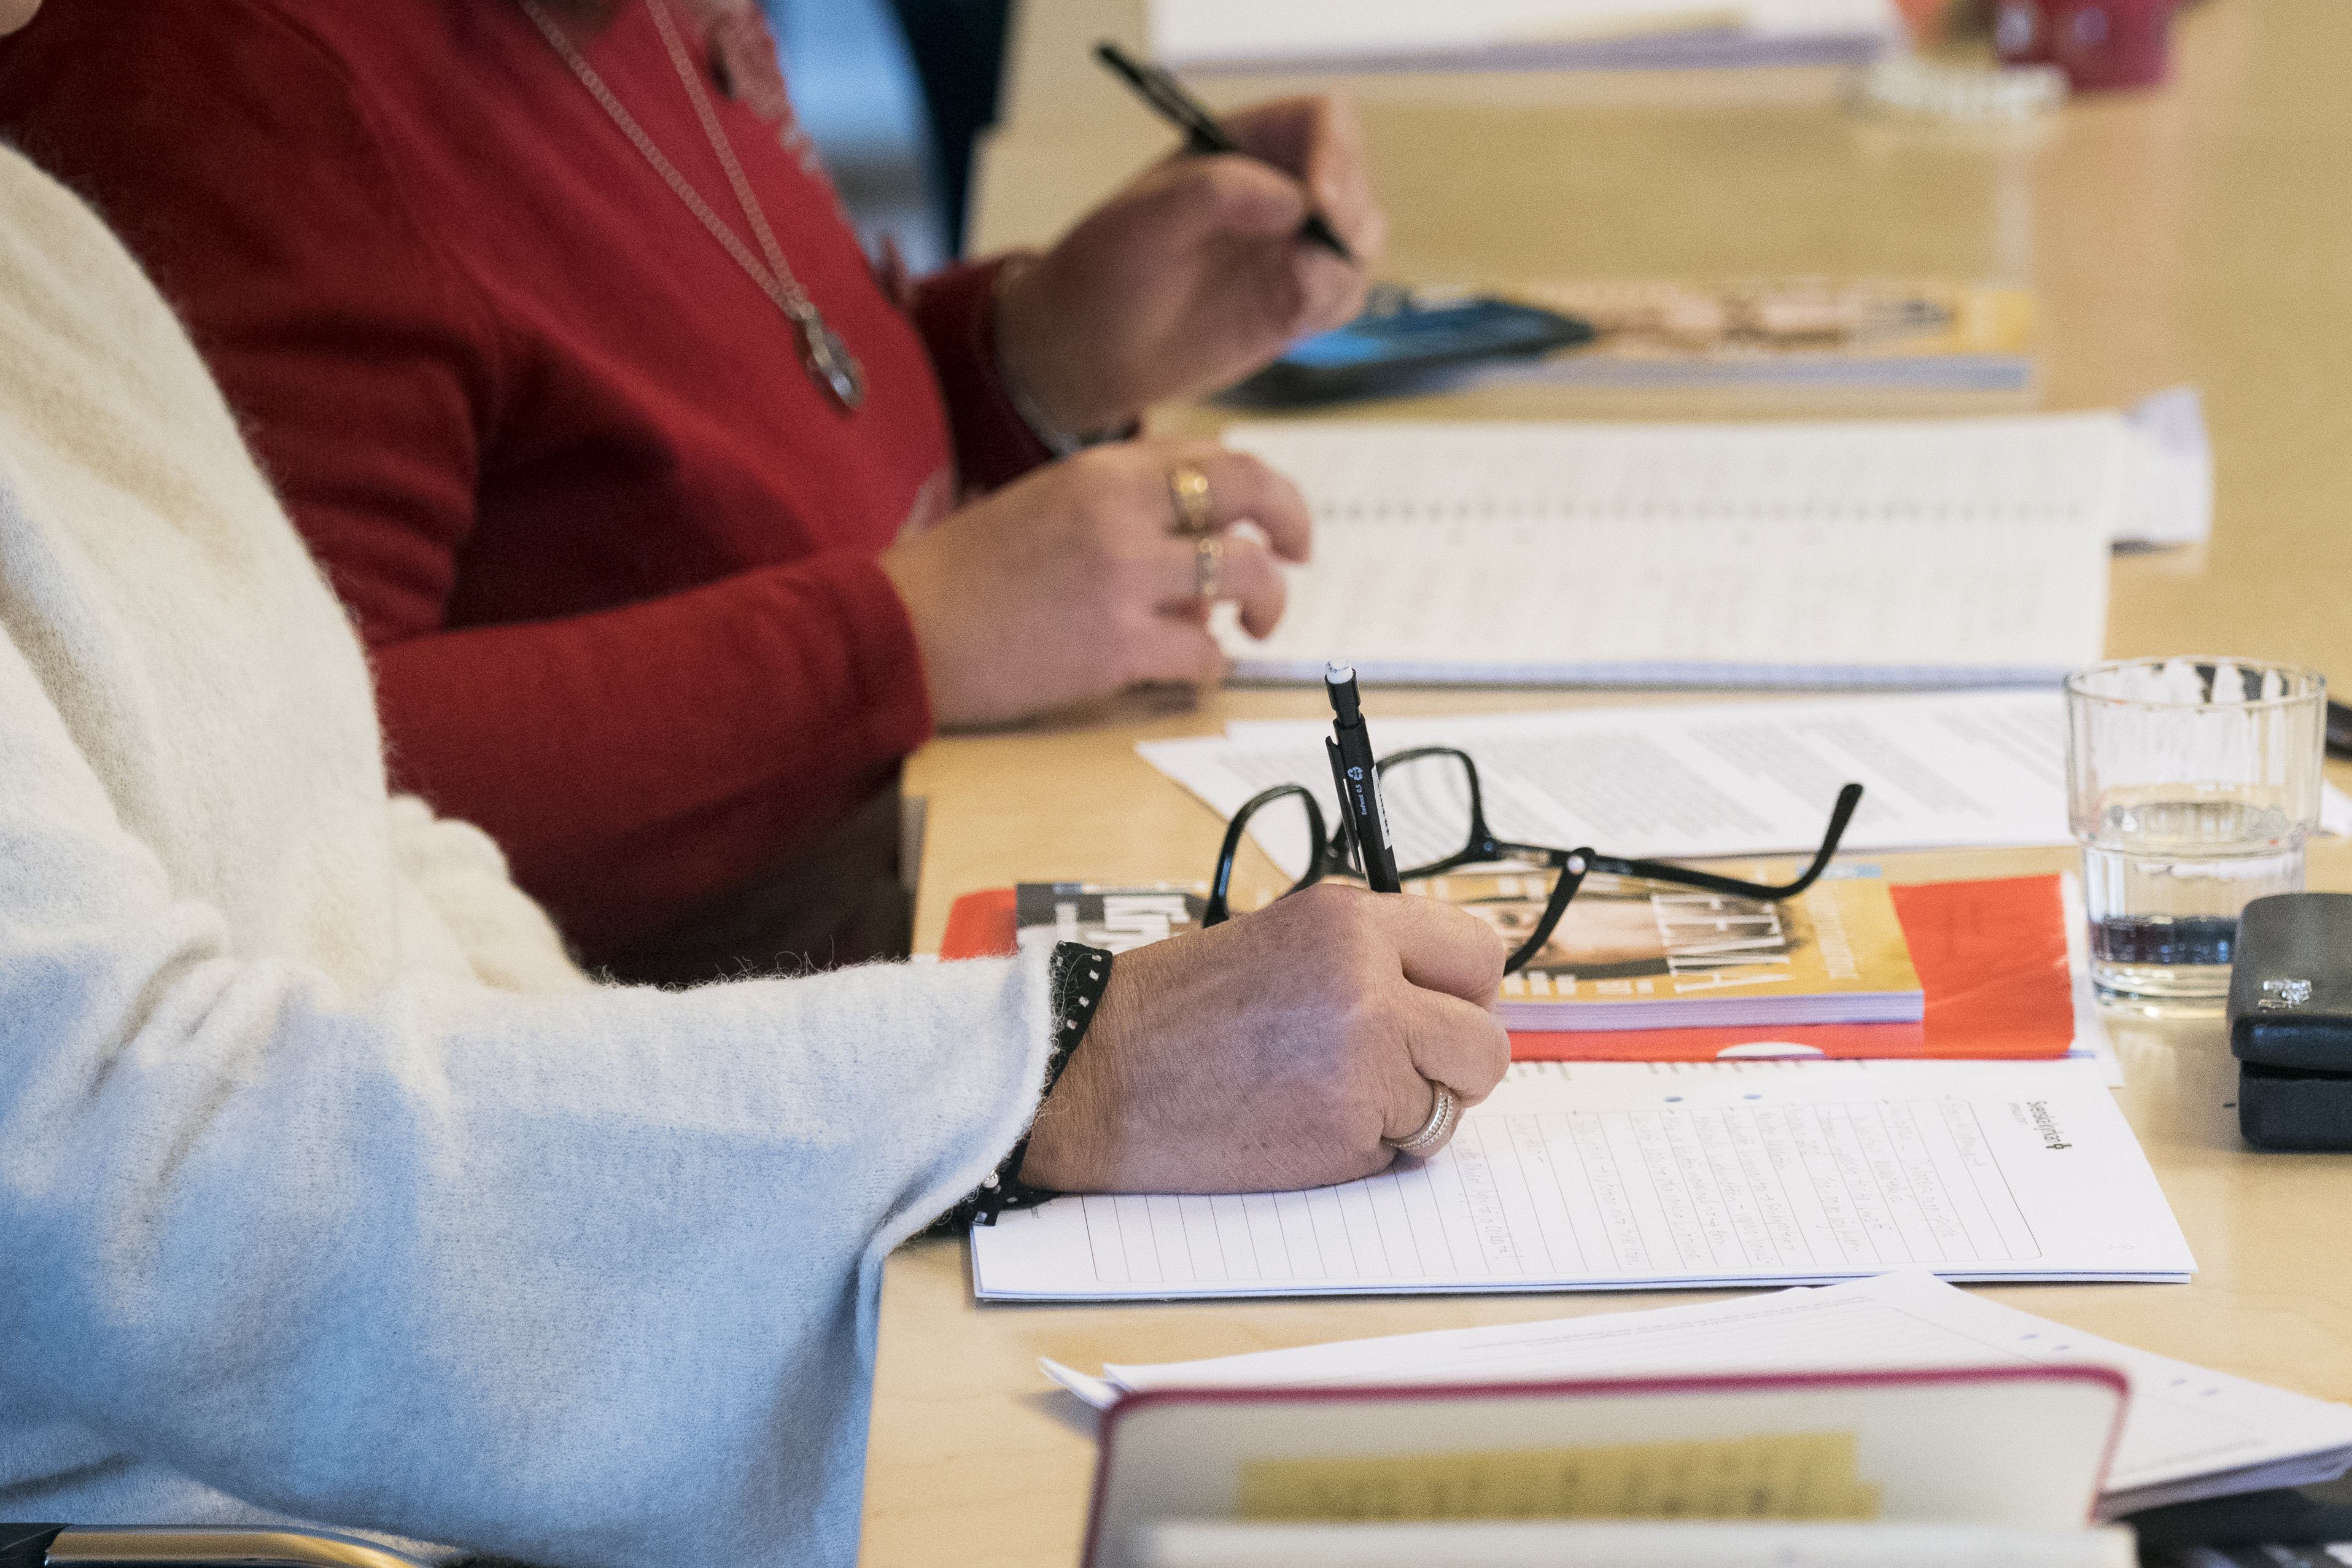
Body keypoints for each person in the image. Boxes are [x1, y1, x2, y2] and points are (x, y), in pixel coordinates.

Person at [0, 7, 1501, 1559]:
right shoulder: (232, 72)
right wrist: (1046, 1073)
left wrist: (1015, 374)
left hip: (527, 1279)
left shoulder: (32, 228)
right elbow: (125, 1183)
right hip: (300, 1482)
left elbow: (324, 790)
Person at [0, 0, 1384, 984]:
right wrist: (898, 638)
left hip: (878, 872)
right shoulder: (241, 84)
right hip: (641, 1061)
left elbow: (734, 440)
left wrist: (1030, 363)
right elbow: (279, 794)